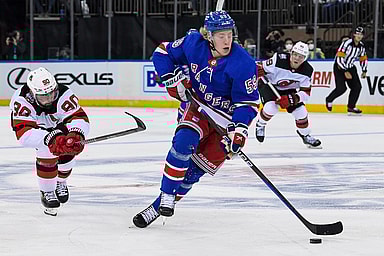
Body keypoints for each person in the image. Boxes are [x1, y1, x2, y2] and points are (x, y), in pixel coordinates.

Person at [132, 10, 259, 228]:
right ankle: (167, 195)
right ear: (209, 36)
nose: (227, 40)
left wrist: (239, 130)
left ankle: (156, 207)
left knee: (193, 173)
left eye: (229, 34)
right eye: (221, 36)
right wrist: (171, 78)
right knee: (183, 144)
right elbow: (162, 52)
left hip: (226, 121)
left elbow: (247, 104)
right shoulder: (193, 43)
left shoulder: (244, 63)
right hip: (198, 108)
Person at [9, 67, 90, 216]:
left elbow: (79, 117)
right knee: (46, 150)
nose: (49, 99)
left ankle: (61, 181)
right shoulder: (21, 100)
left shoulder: (64, 93)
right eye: (43, 96)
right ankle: (47, 192)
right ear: (32, 93)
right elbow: (24, 134)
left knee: (69, 148)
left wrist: (76, 133)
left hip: (59, 125)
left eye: (52, 94)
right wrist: (48, 138)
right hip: (37, 128)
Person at [255, 41, 321, 148]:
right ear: (291, 53)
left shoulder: (307, 70)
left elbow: (306, 93)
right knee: (271, 108)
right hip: (270, 85)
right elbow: (260, 67)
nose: (297, 58)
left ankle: (305, 135)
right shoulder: (279, 59)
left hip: (289, 90)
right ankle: (260, 124)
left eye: (301, 56)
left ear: (305, 58)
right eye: (295, 54)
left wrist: (291, 99)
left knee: (301, 112)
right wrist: (258, 70)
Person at [325, 27, 367, 115]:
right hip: (339, 67)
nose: (359, 36)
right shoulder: (346, 43)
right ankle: (329, 99)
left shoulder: (361, 46)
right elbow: (339, 58)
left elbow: (363, 58)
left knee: (357, 87)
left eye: (361, 34)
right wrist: (345, 71)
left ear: (363, 36)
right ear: (354, 35)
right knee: (341, 88)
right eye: (357, 34)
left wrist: (364, 70)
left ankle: (351, 107)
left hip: (351, 67)